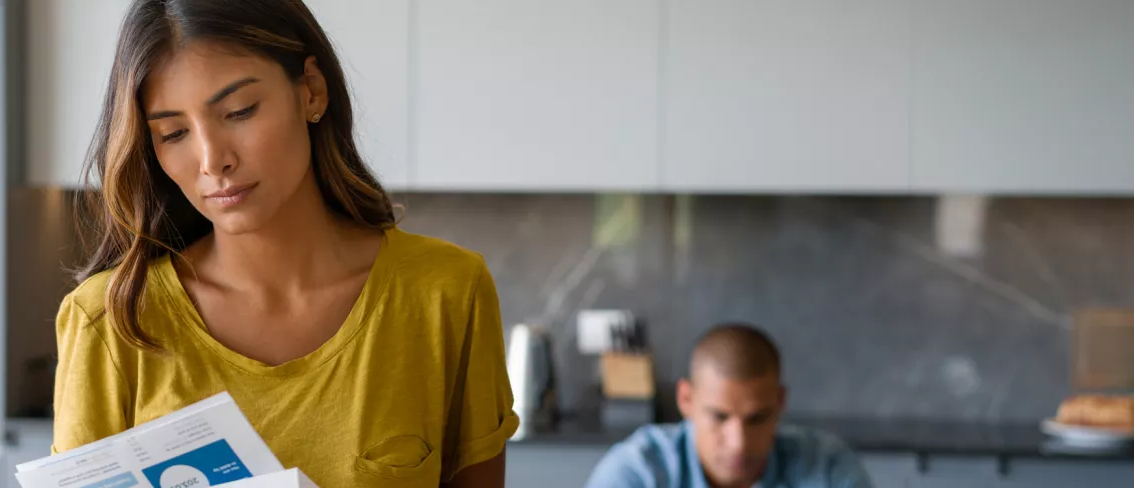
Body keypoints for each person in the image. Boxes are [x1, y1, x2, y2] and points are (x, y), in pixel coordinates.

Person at [52, 1, 516, 486]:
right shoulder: (109, 321)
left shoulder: (447, 293)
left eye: (239, 111)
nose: (213, 160)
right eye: (174, 133)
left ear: (312, 91)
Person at [586, 324, 873, 488]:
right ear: (686, 399)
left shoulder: (828, 469)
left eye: (757, 418)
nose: (738, 444)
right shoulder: (637, 472)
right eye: (719, 417)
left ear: (780, 402)